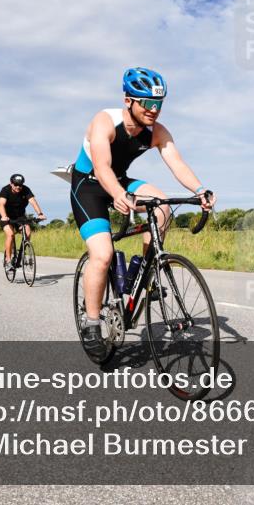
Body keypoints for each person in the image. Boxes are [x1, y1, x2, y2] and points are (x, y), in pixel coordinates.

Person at [70, 67, 215, 358]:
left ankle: (143, 275)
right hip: (88, 185)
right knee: (102, 254)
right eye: (147, 103)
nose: (153, 111)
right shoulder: (105, 121)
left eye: (158, 104)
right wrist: (118, 194)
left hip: (120, 180)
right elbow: (101, 168)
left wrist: (200, 190)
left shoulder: (156, 132)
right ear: (128, 100)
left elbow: (176, 163)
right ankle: (92, 321)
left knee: (161, 206)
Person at [0, 174, 46, 273]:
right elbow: (1, 204)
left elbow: (33, 201)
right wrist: (3, 216)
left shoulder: (26, 190)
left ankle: (21, 254)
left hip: (20, 216)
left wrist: (40, 214)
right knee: (10, 235)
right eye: (16, 185)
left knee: (28, 233)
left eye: (20, 185)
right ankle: (8, 261)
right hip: (6, 216)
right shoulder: (5, 190)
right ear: (11, 184)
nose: (18, 187)